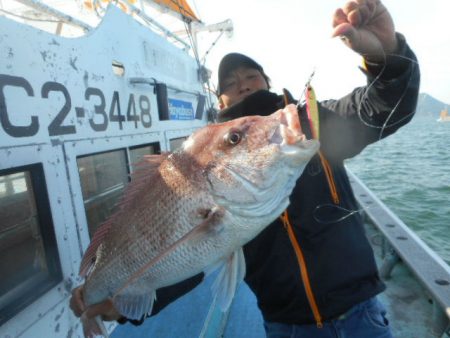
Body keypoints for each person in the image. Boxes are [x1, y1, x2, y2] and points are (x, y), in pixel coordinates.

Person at [70, 0, 420, 337]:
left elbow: (384, 107)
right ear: (219, 101)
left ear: (267, 80)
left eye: (251, 76)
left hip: (360, 315)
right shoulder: (201, 161)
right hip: (285, 325)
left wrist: (386, 55)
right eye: (230, 84)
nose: (243, 84)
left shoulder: (309, 124)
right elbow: (186, 258)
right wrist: (116, 302)